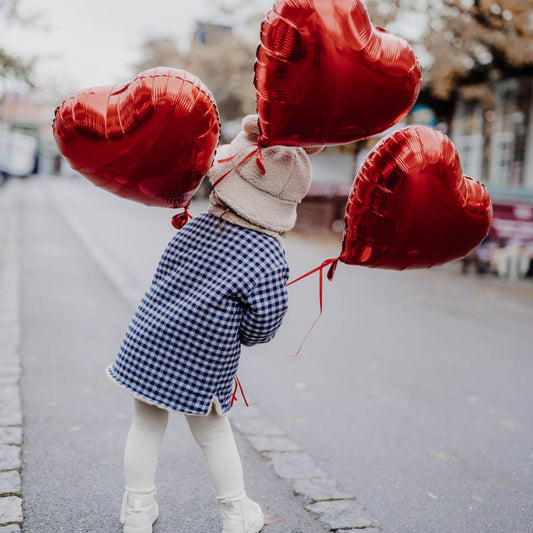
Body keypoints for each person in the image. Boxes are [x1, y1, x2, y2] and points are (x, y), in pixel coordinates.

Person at [106, 115, 320, 533]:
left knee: (145, 425)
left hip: (148, 340)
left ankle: (137, 510)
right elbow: (264, 324)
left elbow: (163, 277)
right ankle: (236, 513)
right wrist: (242, 331)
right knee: (214, 435)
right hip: (204, 360)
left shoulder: (196, 227)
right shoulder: (268, 255)